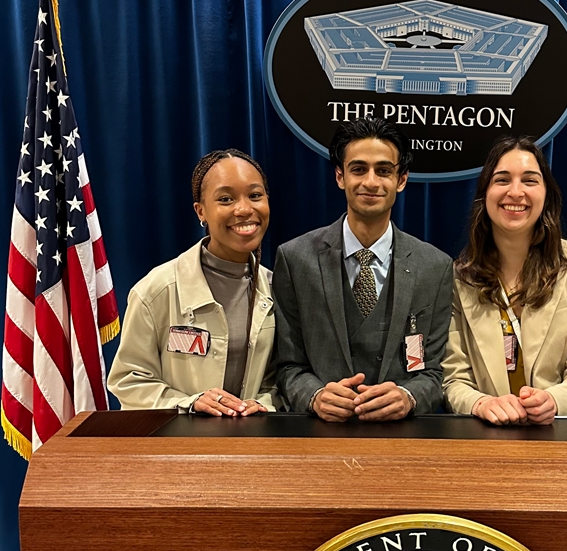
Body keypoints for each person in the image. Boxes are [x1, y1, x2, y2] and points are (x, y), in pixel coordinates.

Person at [273, 117, 453, 421]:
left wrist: (409, 397)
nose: (371, 182)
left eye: (383, 171)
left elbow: (434, 372)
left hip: (401, 441)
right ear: (340, 176)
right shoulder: (295, 259)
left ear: (402, 179)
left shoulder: (435, 267)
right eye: (358, 169)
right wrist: (314, 396)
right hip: (320, 437)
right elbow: (287, 366)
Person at [442, 136, 567, 425]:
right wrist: (482, 403)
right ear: (485, 194)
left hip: (565, 428)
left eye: (530, 180)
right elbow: (452, 379)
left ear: (546, 193)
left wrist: (554, 401)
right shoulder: (459, 278)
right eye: (502, 180)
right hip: (489, 433)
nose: (516, 192)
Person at [107, 149, 279, 416]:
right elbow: (129, 380)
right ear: (201, 211)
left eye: (255, 195)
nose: (244, 209)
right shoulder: (156, 290)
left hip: (252, 446)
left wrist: (265, 404)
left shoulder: (278, 288)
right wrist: (189, 403)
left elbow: (280, 380)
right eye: (225, 199)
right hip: (175, 447)